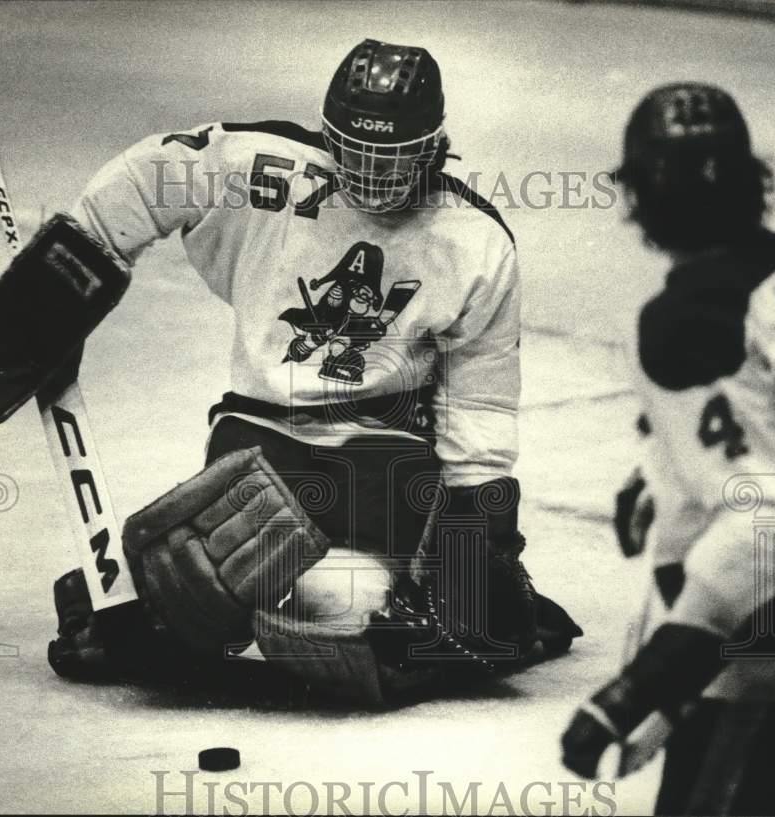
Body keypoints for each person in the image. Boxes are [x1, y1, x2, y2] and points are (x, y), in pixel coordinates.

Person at [46, 39, 581, 706]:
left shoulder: (474, 240)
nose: (374, 176)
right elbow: (150, 174)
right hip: (259, 446)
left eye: (395, 157)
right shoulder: (265, 171)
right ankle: (143, 606)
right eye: (357, 153)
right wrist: (56, 285)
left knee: (348, 602)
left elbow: (482, 402)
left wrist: (482, 529)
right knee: (187, 596)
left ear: (436, 146)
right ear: (329, 138)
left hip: (384, 460)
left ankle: (369, 612)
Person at [560, 83, 775, 814]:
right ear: (750, 180)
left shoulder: (687, 321)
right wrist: (667, 465)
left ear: (636, 195)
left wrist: (649, 678)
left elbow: (772, 522)